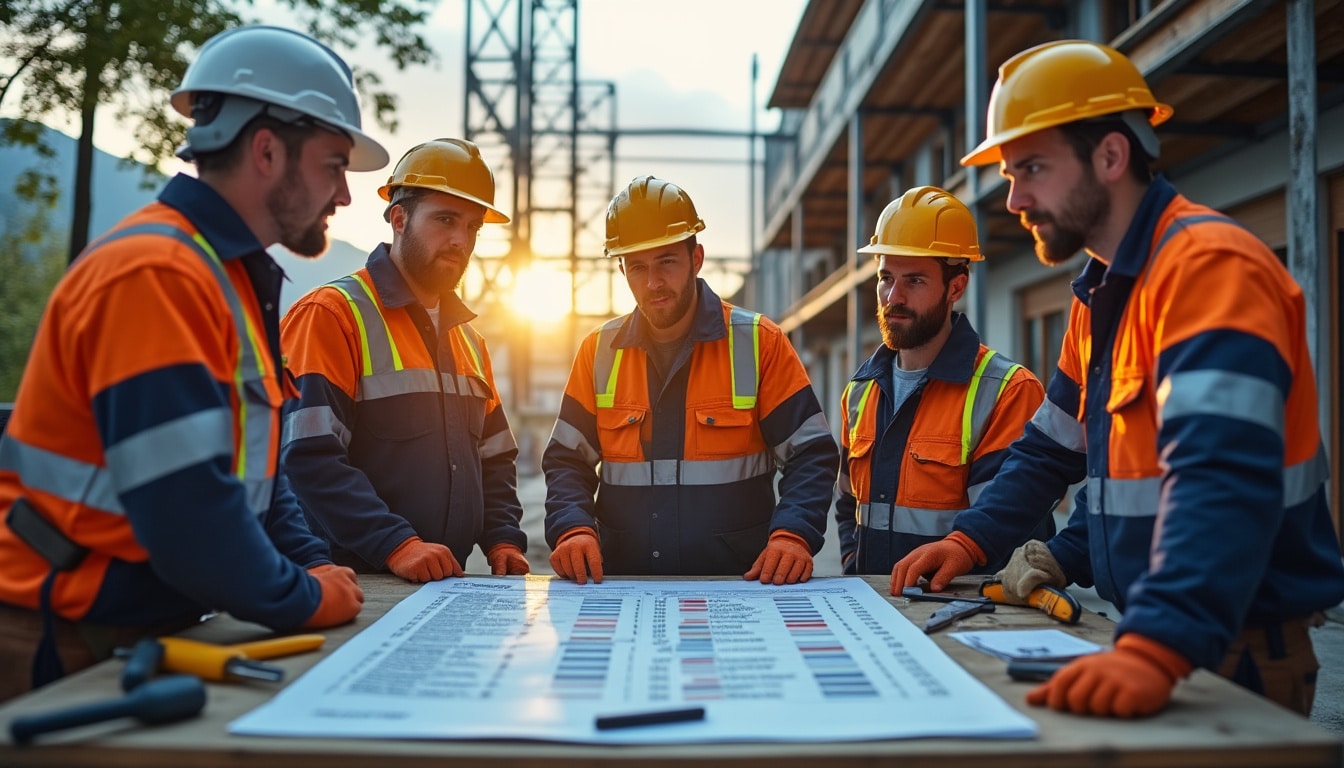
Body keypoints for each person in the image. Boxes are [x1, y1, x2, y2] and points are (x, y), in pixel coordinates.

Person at [892, 39, 1344, 718]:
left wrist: (1155, 646)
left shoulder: (1210, 270)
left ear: (1111, 155)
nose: (1014, 199)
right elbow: (1057, 455)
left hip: (1229, 647)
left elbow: (1219, 477)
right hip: (1167, 633)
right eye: (1011, 174)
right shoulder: (1101, 297)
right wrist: (977, 542)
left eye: (1033, 168)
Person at [0, 25, 379, 700]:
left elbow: (257, 480)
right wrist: (301, 597)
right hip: (62, 633)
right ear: (267, 150)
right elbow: (188, 515)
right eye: (333, 165)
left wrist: (321, 570)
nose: (344, 195)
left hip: (125, 627)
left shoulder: (223, 275)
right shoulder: (155, 274)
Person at [543, 175, 838, 585]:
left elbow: (811, 454)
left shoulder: (759, 343)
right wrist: (573, 527)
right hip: (625, 586)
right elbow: (566, 461)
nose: (653, 283)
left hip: (741, 588)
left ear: (696, 258)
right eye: (637, 268)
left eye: (666, 262)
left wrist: (793, 535)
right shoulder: (599, 351)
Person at [280, 139, 529, 583]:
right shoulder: (331, 315)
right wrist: (395, 544)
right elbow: (310, 458)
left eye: (473, 227)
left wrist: (503, 538)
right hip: (346, 581)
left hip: (439, 582)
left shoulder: (468, 339)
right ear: (400, 218)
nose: (461, 240)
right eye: (446, 219)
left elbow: (494, 457)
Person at [836, 186, 1048, 578]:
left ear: (956, 287)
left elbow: (1012, 522)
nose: (892, 297)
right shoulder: (860, 390)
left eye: (914, 281)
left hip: (963, 613)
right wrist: (854, 564)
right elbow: (848, 504)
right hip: (875, 609)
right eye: (886, 278)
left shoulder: (1008, 391)